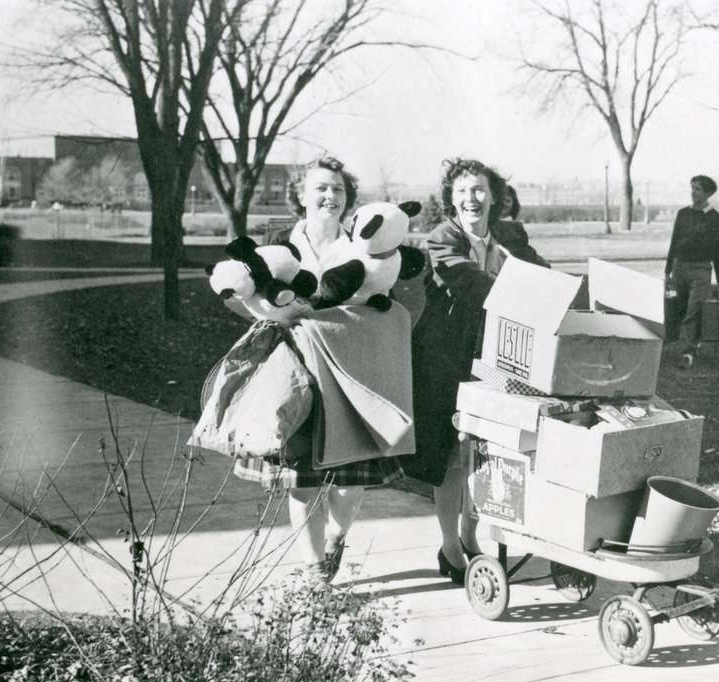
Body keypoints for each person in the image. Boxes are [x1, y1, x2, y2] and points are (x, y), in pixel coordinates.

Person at [233, 156, 404, 583]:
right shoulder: (276, 244)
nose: (330, 196)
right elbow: (243, 298)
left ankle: (335, 537)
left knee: (351, 480)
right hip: (291, 370)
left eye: (339, 190)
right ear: (301, 196)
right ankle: (313, 573)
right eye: (321, 188)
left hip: (350, 372)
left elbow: (385, 299)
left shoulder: (367, 246)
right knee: (301, 478)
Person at [406, 158, 548, 584]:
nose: (472, 198)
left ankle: (473, 536)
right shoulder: (441, 239)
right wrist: (524, 290)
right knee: (450, 456)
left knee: (488, 453)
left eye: (480, 189)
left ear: (494, 196)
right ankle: (450, 545)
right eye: (463, 190)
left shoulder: (510, 235)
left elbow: (544, 276)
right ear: (451, 197)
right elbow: (468, 285)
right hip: (446, 360)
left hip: (499, 360)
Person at [664, 175, 719, 369]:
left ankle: (688, 352)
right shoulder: (683, 214)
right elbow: (673, 242)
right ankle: (685, 343)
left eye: (698, 189)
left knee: (694, 309)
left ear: (708, 193)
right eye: (692, 188)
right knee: (677, 309)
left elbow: (718, 251)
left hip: (701, 271)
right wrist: (667, 272)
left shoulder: (716, 219)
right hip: (679, 268)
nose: (693, 192)